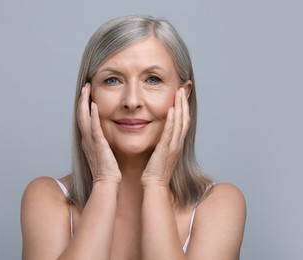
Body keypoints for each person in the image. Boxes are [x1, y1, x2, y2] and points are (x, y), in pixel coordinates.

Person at [21, 15, 246, 260]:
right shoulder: (48, 198)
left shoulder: (219, 205)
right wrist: (104, 182)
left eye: (153, 79)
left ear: (184, 95)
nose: (132, 101)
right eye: (112, 80)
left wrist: (157, 184)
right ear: (88, 96)